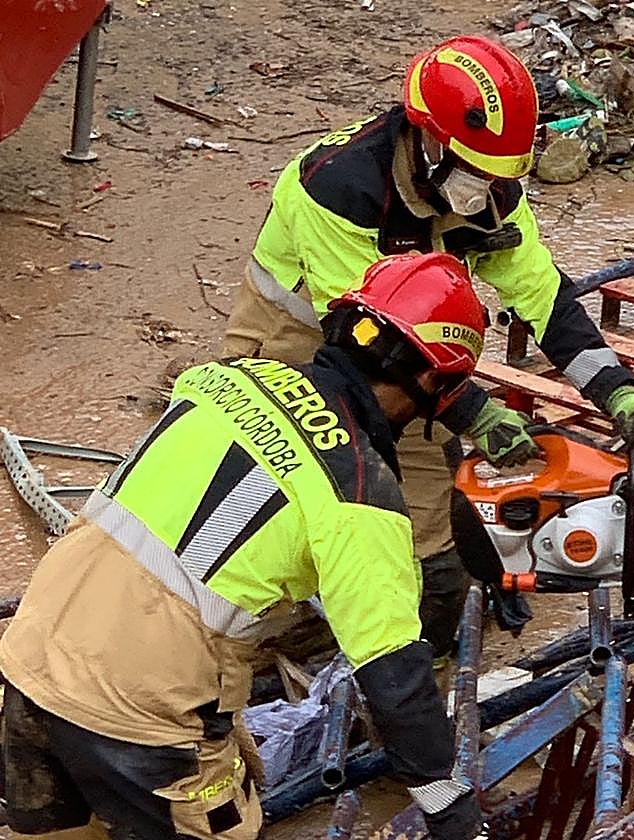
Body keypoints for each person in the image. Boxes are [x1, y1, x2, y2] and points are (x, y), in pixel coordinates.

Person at [0, 253, 489, 840]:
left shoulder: (223, 378)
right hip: (146, 713)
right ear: (433, 382)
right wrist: (448, 804)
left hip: (33, 649)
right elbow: (394, 676)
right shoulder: (360, 497)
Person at [219, 34, 634, 654]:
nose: (482, 195)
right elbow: (367, 340)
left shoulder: (491, 187)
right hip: (303, 336)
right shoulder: (339, 189)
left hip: (413, 345)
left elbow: (541, 294)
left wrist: (614, 390)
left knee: (428, 537)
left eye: (496, 178)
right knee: (298, 492)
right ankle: (273, 639)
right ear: (429, 141)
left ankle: (405, 649)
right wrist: (476, 412)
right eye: (475, 175)